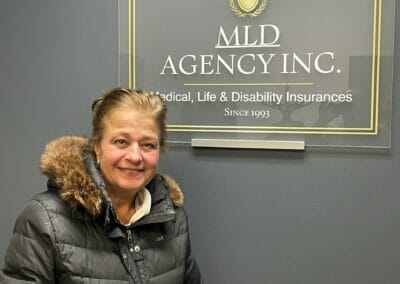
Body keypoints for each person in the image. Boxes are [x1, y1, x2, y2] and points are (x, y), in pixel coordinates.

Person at [0, 88, 201, 283]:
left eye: (147, 144)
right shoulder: (45, 219)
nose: (134, 156)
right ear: (97, 147)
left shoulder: (173, 219)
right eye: (121, 142)